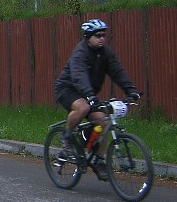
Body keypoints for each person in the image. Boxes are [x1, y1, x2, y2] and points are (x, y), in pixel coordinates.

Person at [53, 19, 140, 180]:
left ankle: (98, 160)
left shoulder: (105, 52)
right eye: (98, 36)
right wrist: (90, 95)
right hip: (67, 89)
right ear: (88, 37)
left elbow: (117, 71)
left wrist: (131, 90)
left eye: (104, 35)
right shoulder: (80, 53)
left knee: (104, 122)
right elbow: (79, 76)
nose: (102, 38)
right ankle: (67, 137)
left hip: (88, 93)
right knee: (82, 108)